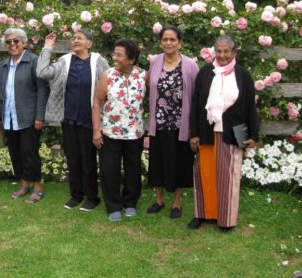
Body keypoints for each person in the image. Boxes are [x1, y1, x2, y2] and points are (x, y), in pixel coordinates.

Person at [188, 35, 260, 231]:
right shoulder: (205, 73)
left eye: (226, 51)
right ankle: (202, 214)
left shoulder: (243, 75)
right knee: (204, 175)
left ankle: (225, 219)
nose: (222, 55)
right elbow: (195, 105)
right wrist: (193, 133)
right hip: (206, 133)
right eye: (218, 51)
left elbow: (250, 108)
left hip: (231, 133)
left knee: (229, 177)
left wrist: (254, 134)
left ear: (234, 52)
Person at [37, 29, 109, 212]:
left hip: (89, 120)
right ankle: (76, 195)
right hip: (68, 119)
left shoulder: (98, 62)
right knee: (73, 159)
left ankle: (92, 198)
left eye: (80, 38)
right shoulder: (64, 61)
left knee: (89, 160)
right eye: (73, 38)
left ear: (89, 44)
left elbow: (110, 85)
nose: (75, 40)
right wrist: (47, 47)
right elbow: (42, 72)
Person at [146, 25, 199, 219]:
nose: (168, 43)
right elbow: (148, 86)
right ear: (160, 42)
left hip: (180, 124)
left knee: (180, 163)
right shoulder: (155, 62)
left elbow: (196, 96)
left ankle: (176, 203)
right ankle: (159, 200)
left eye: (172, 39)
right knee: (157, 162)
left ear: (179, 42)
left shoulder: (190, 65)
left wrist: (194, 127)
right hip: (158, 123)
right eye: (165, 39)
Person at [0, 28, 49, 203]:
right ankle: (24, 185)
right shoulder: (2, 65)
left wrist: (39, 116)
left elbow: (42, 89)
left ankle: (38, 188)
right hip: (9, 118)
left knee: (30, 153)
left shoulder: (33, 61)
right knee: (15, 153)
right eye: (8, 42)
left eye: (16, 41)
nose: (12, 44)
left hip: (29, 118)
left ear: (24, 43)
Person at [92, 39, 146, 221]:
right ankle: (113, 205)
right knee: (110, 170)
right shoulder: (108, 75)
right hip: (110, 132)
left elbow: (151, 102)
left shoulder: (143, 76)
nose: (114, 57)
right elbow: (97, 102)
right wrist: (96, 131)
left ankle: (130, 203)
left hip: (135, 133)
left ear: (131, 59)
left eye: (119, 55)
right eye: (114, 54)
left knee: (133, 170)